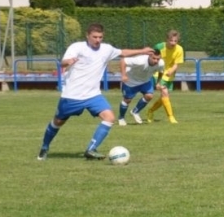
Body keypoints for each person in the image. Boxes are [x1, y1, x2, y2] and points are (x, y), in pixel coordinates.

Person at [37, 24, 158, 160]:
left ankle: (91, 149)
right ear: (87, 36)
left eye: (100, 37)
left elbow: (122, 52)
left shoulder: (106, 49)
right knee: (57, 122)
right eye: (94, 37)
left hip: (93, 95)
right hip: (72, 95)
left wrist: (142, 51)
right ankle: (45, 147)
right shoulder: (77, 47)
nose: (97, 40)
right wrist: (68, 62)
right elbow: (63, 63)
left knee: (110, 118)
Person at [116, 42, 160, 125]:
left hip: (145, 81)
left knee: (149, 96)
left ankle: (135, 111)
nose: (156, 61)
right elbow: (123, 60)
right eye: (154, 58)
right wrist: (124, 75)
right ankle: (121, 118)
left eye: (158, 59)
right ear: (149, 56)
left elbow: (161, 71)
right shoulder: (140, 61)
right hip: (131, 81)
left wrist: (158, 82)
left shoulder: (160, 63)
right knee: (127, 100)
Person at [149, 29, 184, 123]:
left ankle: (150, 111)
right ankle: (171, 117)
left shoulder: (179, 49)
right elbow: (151, 58)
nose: (173, 43)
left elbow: (177, 64)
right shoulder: (159, 46)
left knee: (164, 97)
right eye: (171, 40)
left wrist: (171, 71)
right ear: (167, 39)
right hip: (157, 73)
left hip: (169, 75)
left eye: (175, 41)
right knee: (164, 92)